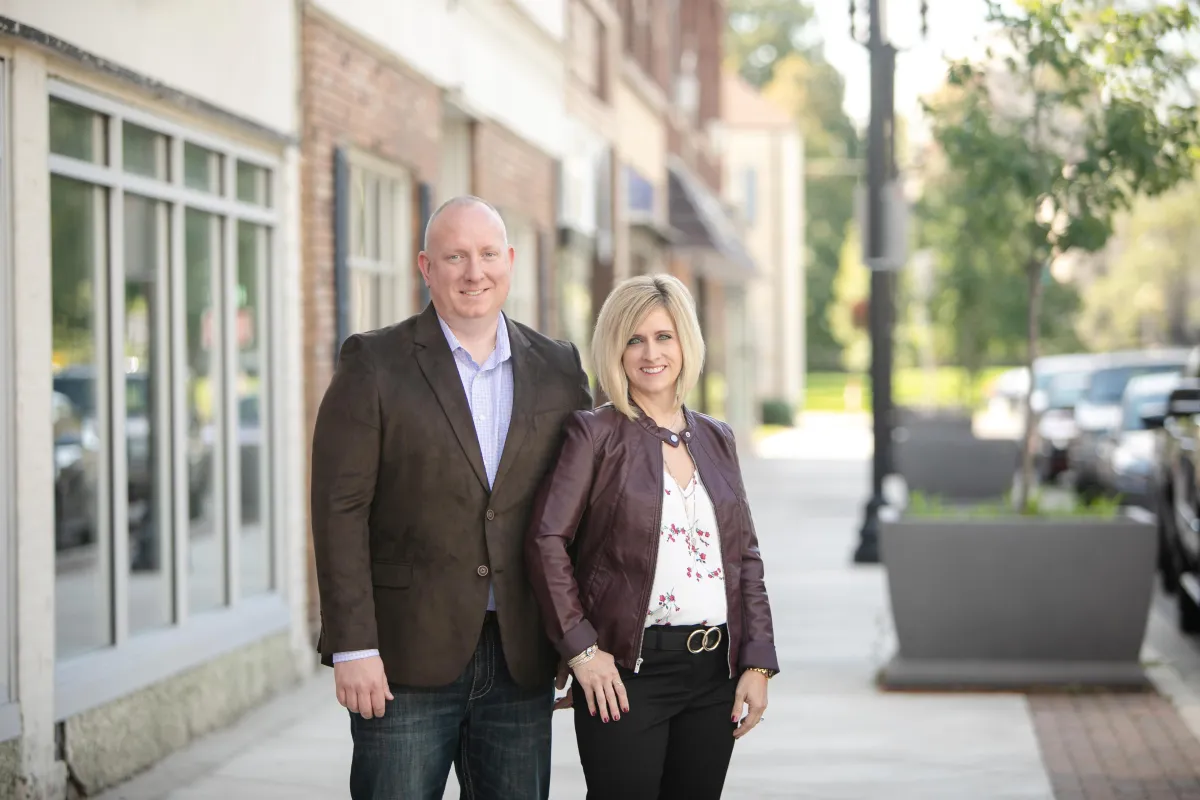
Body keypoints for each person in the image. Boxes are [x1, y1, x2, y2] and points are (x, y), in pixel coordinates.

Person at [310, 195, 592, 800]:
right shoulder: (374, 363)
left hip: (521, 657)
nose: (474, 272)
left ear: (509, 260)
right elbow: (339, 512)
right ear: (426, 267)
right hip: (403, 659)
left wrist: (579, 639)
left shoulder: (560, 368)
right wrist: (352, 645)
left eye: (488, 254)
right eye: (455, 256)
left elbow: (582, 513)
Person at [525, 274, 779, 799]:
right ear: (615, 351)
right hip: (627, 675)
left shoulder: (717, 437)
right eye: (634, 340)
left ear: (686, 342)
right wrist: (581, 649)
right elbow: (546, 541)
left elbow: (745, 556)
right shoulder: (594, 434)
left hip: (714, 675)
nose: (651, 353)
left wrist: (757, 661)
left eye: (664, 336)